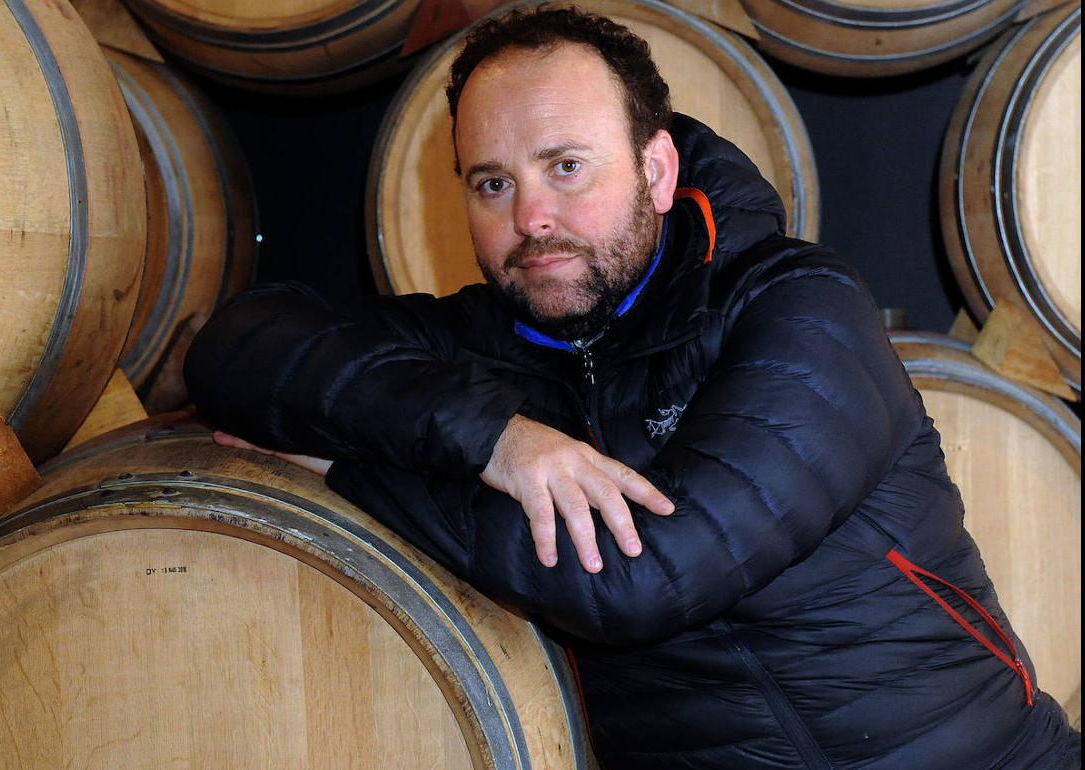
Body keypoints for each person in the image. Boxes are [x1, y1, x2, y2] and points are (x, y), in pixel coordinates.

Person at [184, 6, 1080, 768]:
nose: (529, 218)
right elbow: (235, 347)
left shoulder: (796, 304)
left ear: (655, 171)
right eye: (492, 183)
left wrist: (351, 474)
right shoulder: (477, 342)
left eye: (566, 166)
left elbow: (643, 579)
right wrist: (494, 435)